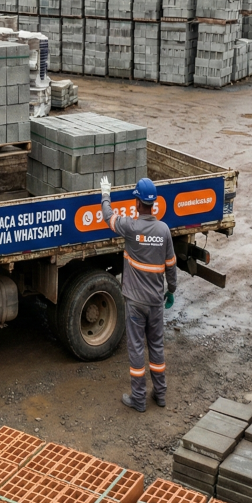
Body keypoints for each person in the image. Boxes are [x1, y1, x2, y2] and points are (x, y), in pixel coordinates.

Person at [100, 176, 177, 413]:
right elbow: (171, 265)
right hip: (155, 302)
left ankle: (139, 399)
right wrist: (171, 290)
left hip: (135, 303)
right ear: (153, 203)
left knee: (136, 349)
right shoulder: (163, 230)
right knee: (156, 348)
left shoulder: (131, 228)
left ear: (137, 202)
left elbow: (108, 217)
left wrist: (105, 194)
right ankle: (160, 395)